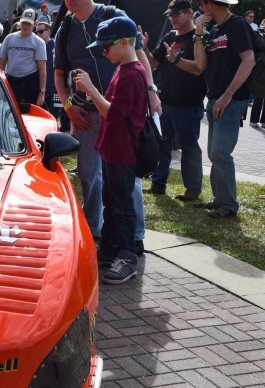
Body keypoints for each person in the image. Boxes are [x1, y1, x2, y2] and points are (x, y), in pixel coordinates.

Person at [54, 0, 160, 245]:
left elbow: (140, 56)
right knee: (90, 175)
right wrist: (69, 107)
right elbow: (59, 75)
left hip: (119, 116)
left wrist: (151, 91)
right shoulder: (66, 27)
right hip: (86, 115)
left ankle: (133, 238)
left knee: (126, 178)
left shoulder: (114, 16)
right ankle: (96, 232)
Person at [74, 16, 147, 284]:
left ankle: (127, 257)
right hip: (112, 148)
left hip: (123, 151)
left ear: (125, 42)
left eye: (106, 46)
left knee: (123, 205)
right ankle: (111, 250)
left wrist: (91, 89)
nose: (103, 52)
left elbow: (114, 114)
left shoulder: (132, 74)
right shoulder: (124, 69)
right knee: (112, 202)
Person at [192, 0, 255, 219]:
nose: (200, 6)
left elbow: (249, 61)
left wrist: (228, 95)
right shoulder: (216, 30)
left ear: (210, 3)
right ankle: (219, 200)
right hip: (215, 99)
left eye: (202, 2)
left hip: (231, 99)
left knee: (220, 152)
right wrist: (199, 33)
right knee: (213, 152)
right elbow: (201, 65)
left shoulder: (237, 25)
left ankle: (229, 205)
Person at [144, 0, 207, 202]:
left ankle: (192, 189)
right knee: (162, 145)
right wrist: (143, 48)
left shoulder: (200, 38)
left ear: (189, 13)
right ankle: (158, 183)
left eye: (176, 14)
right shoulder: (170, 36)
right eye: (170, 15)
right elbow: (153, 63)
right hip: (165, 103)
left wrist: (176, 60)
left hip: (188, 105)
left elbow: (199, 68)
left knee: (189, 147)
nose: (172, 19)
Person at [0, 10, 46, 107]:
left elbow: (42, 69)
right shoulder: (9, 38)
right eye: (24, 22)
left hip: (30, 84)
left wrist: (42, 93)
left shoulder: (39, 42)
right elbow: (1, 65)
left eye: (29, 23)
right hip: (11, 82)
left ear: (35, 24)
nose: (26, 26)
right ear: (20, 22)